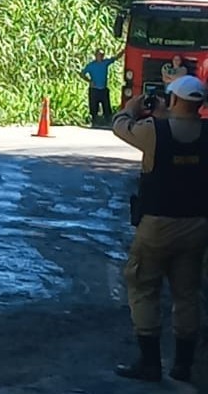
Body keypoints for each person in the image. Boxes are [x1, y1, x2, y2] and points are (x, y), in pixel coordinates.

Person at [112, 74, 208, 383]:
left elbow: (120, 127)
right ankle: (183, 364)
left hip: (156, 223)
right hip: (197, 224)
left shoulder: (154, 130)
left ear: (174, 100)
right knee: (187, 293)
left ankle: (150, 362)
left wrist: (131, 107)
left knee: (143, 286)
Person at [81, 47, 124, 127]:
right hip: (94, 89)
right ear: (96, 55)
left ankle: (108, 122)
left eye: (102, 54)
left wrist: (123, 51)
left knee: (107, 107)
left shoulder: (105, 63)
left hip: (103, 89)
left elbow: (115, 58)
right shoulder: (91, 65)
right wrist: (89, 81)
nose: (101, 56)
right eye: (99, 54)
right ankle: (94, 122)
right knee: (94, 108)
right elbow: (82, 73)